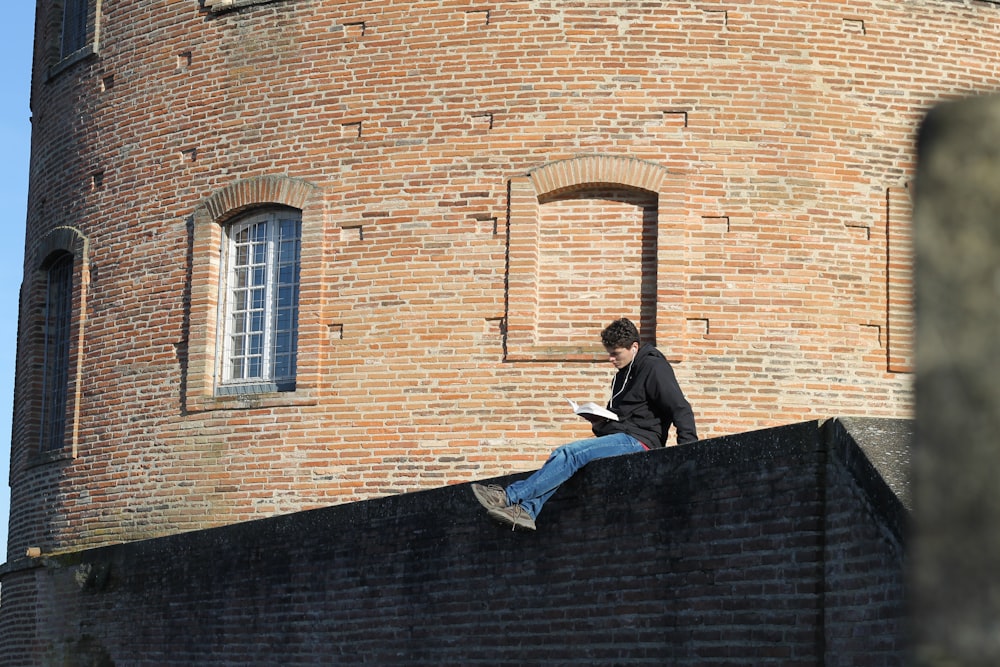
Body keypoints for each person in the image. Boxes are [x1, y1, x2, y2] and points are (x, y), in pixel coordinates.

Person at [472, 317, 697, 530]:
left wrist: (687, 452)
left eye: (615, 353)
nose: (611, 359)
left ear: (634, 347)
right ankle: (527, 511)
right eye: (609, 353)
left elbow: (680, 408)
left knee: (569, 453)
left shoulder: (654, 367)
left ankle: (508, 496)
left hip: (641, 441)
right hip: (625, 436)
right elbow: (623, 418)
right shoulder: (621, 375)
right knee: (563, 460)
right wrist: (599, 420)